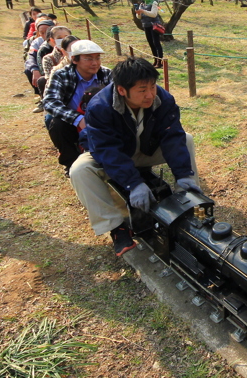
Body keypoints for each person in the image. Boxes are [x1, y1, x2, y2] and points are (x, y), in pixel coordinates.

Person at [69, 57, 200, 256]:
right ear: (122, 90)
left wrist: (183, 174)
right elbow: (107, 150)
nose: (150, 95)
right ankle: (116, 226)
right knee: (80, 170)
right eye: (142, 90)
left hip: (145, 150)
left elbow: (171, 135)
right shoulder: (100, 107)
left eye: (152, 87)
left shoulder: (162, 99)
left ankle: (188, 196)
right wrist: (133, 184)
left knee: (186, 139)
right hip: (116, 154)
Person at [42, 39, 112, 173]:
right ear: (74, 60)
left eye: (97, 58)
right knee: (56, 124)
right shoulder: (61, 75)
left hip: (101, 117)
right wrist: (78, 119)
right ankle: (71, 163)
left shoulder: (107, 74)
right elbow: (50, 101)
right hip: (72, 119)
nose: (95, 63)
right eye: (88, 59)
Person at [135, 0, 165, 67]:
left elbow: (154, 14)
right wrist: (138, 13)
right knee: (151, 43)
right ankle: (155, 59)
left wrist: (143, 11)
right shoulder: (142, 4)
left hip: (154, 26)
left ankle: (160, 61)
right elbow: (139, 17)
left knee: (156, 43)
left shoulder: (154, 3)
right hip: (146, 25)